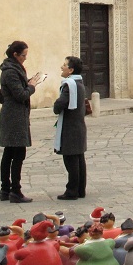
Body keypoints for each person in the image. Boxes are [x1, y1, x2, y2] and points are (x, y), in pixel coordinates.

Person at [0, 40, 40, 204]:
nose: (25, 58)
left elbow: (19, 88)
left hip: (16, 114)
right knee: (16, 153)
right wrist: (32, 86)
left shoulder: (14, 68)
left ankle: (5, 189)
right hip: (14, 116)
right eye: (23, 55)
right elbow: (20, 94)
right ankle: (14, 190)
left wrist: (28, 82)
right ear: (15, 54)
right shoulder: (10, 71)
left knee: (10, 152)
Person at [53, 56, 88, 200]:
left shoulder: (69, 85)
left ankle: (72, 190)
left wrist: (55, 105)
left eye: (64, 65)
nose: (62, 67)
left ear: (71, 70)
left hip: (70, 127)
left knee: (71, 159)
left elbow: (60, 104)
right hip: (78, 125)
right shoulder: (79, 83)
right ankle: (80, 189)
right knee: (79, 159)